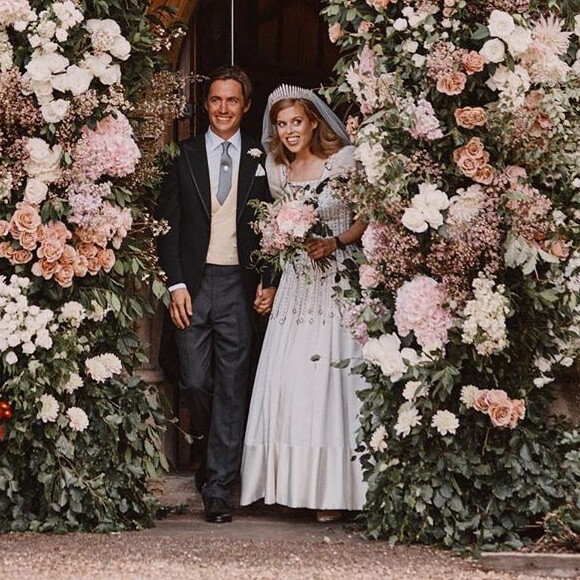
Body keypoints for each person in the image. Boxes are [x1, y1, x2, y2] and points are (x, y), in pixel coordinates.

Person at [156, 66, 277, 524]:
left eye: (232, 101)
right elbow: (166, 227)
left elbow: (273, 229)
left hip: (237, 286)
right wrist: (175, 284)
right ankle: (211, 455)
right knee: (194, 382)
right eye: (215, 101)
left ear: (246, 106)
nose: (223, 109)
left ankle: (218, 486)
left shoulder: (261, 160)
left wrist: (268, 279)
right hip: (193, 283)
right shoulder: (183, 155)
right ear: (206, 105)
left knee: (232, 386)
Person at [240, 85, 367, 521]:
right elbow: (278, 238)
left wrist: (335, 240)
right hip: (296, 285)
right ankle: (290, 485)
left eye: (297, 121)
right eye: (282, 124)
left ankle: (334, 492)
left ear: (314, 121)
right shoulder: (278, 170)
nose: (290, 131)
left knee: (331, 382)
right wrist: (271, 282)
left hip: (336, 280)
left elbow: (366, 215)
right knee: (291, 379)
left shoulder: (343, 162)